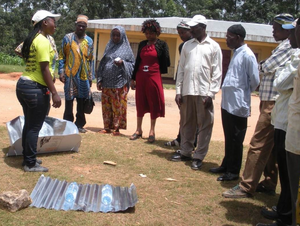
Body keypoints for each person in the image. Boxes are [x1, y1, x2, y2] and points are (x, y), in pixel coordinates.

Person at [221, 13, 294, 198]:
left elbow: (266, 67)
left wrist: (263, 65)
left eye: (276, 28)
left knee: (258, 144)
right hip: (269, 100)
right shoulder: (282, 46)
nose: (273, 31)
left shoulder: (287, 47)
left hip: (274, 101)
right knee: (272, 146)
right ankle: (269, 183)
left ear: (286, 29)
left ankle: (246, 186)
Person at [256, 19, 300, 226]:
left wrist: (287, 66)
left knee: (291, 175)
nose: (291, 36)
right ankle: (283, 211)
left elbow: (280, 82)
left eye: (294, 32)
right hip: (284, 120)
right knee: (285, 171)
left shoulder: (296, 56)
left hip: (290, 124)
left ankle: (286, 216)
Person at [171, 15, 223, 170]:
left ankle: (199, 156)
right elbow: (181, 69)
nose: (191, 29)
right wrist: (178, 90)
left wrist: (211, 93)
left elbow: (217, 72)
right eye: (191, 27)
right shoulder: (187, 46)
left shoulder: (213, 46)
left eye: (194, 27)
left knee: (205, 124)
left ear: (203, 27)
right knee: (187, 123)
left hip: (203, 92)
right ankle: (186, 152)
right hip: (187, 90)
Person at [16, 10, 62, 172]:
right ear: (44, 22)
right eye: (52, 21)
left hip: (23, 85)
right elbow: (44, 69)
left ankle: (29, 157)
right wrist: (55, 93)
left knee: (29, 124)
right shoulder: (42, 41)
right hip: (35, 88)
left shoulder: (31, 39)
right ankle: (30, 163)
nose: (55, 24)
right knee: (34, 126)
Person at [214, 25, 260, 181]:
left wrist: (242, 93)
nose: (227, 39)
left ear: (239, 37)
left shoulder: (247, 55)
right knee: (228, 136)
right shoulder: (237, 54)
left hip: (238, 104)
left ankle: (233, 172)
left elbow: (254, 81)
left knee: (236, 139)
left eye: (229, 36)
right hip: (228, 103)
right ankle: (226, 165)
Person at [130, 19, 170, 143]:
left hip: (154, 76)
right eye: (147, 33)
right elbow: (137, 62)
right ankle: (138, 129)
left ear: (157, 32)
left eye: (151, 33)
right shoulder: (142, 44)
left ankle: (152, 131)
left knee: (153, 101)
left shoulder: (162, 45)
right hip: (141, 76)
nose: (149, 35)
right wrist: (133, 78)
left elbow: (166, 62)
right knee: (140, 101)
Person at [165, 21, 199, 149]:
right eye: (179, 33)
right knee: (184, 116)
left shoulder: (197, 45)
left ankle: (191, 142)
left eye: (183, 32)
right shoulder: (183, 46)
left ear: (190, 31)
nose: (181, 35)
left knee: (193, 117)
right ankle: (181, 139)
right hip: (185, 85)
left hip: (195, 87)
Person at [58, 15, 94, 133]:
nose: (81, 28)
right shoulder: (67, 38)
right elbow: (62, 56)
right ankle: (68, 123)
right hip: (70, 75)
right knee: (69, 100)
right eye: (79, 25)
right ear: (76, 25)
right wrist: (61, 71)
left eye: (83, 26)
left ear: (86, 27)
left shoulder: (89, 41)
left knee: (81, 101)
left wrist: (90, 76)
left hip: (83, 76)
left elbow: (90, 59)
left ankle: (79, 124)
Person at [96, 26, 135, 135]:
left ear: (122, 36)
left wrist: (123, 63)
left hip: (119, 83)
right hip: (106, 83)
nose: (115, 37)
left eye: (118, 35)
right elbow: (103, 63)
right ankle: (107, 127)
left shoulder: (127, 49)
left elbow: (132, 64)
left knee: (118, 105)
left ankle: (116, 128)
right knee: (106, 105)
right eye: (113, 35)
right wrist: (100, 79)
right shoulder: (108, 46)